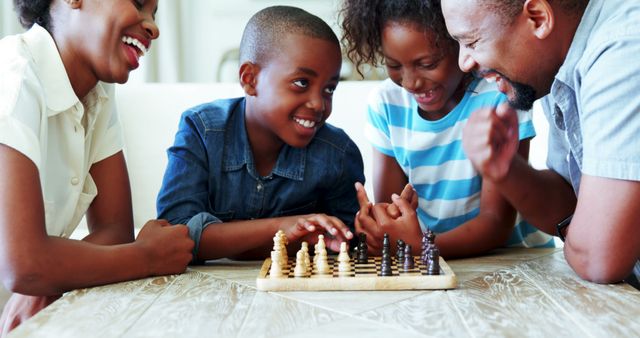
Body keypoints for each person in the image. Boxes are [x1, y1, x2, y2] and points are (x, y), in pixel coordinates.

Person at [0, 0, 194, 333]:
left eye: (154, 13)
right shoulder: (12, 77)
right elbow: (23, 265)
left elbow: (115, 231)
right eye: (138, 4)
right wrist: (147, 256)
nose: (153, 27)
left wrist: (51, 277)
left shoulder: (98, 91)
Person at [440, 0, 640, 285]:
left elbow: (599, 259)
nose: (464, 62)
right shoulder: (555, 63)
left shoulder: (623, 49)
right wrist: (506, 170)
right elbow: (570, 204)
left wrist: (592, 233)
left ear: (538, 18)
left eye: (472, 41)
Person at [339, 0, 553, 257]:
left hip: (514, 260)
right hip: (432, 258)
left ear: (462, 46)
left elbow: (496, 223)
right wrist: (380, 225)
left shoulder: (501, 95)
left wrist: (420, 248)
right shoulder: (386, 104)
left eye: (427, 64)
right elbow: (392, 210)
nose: (410, 82)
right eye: (394, 65)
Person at [156, 6, 365, 261]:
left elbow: (349, 242)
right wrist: (283, 228)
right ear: (250, 79)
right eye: (302, 83)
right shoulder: (200, 131)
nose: (319, 104)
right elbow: (172, 237)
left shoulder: (338, 154)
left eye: (329, 89)